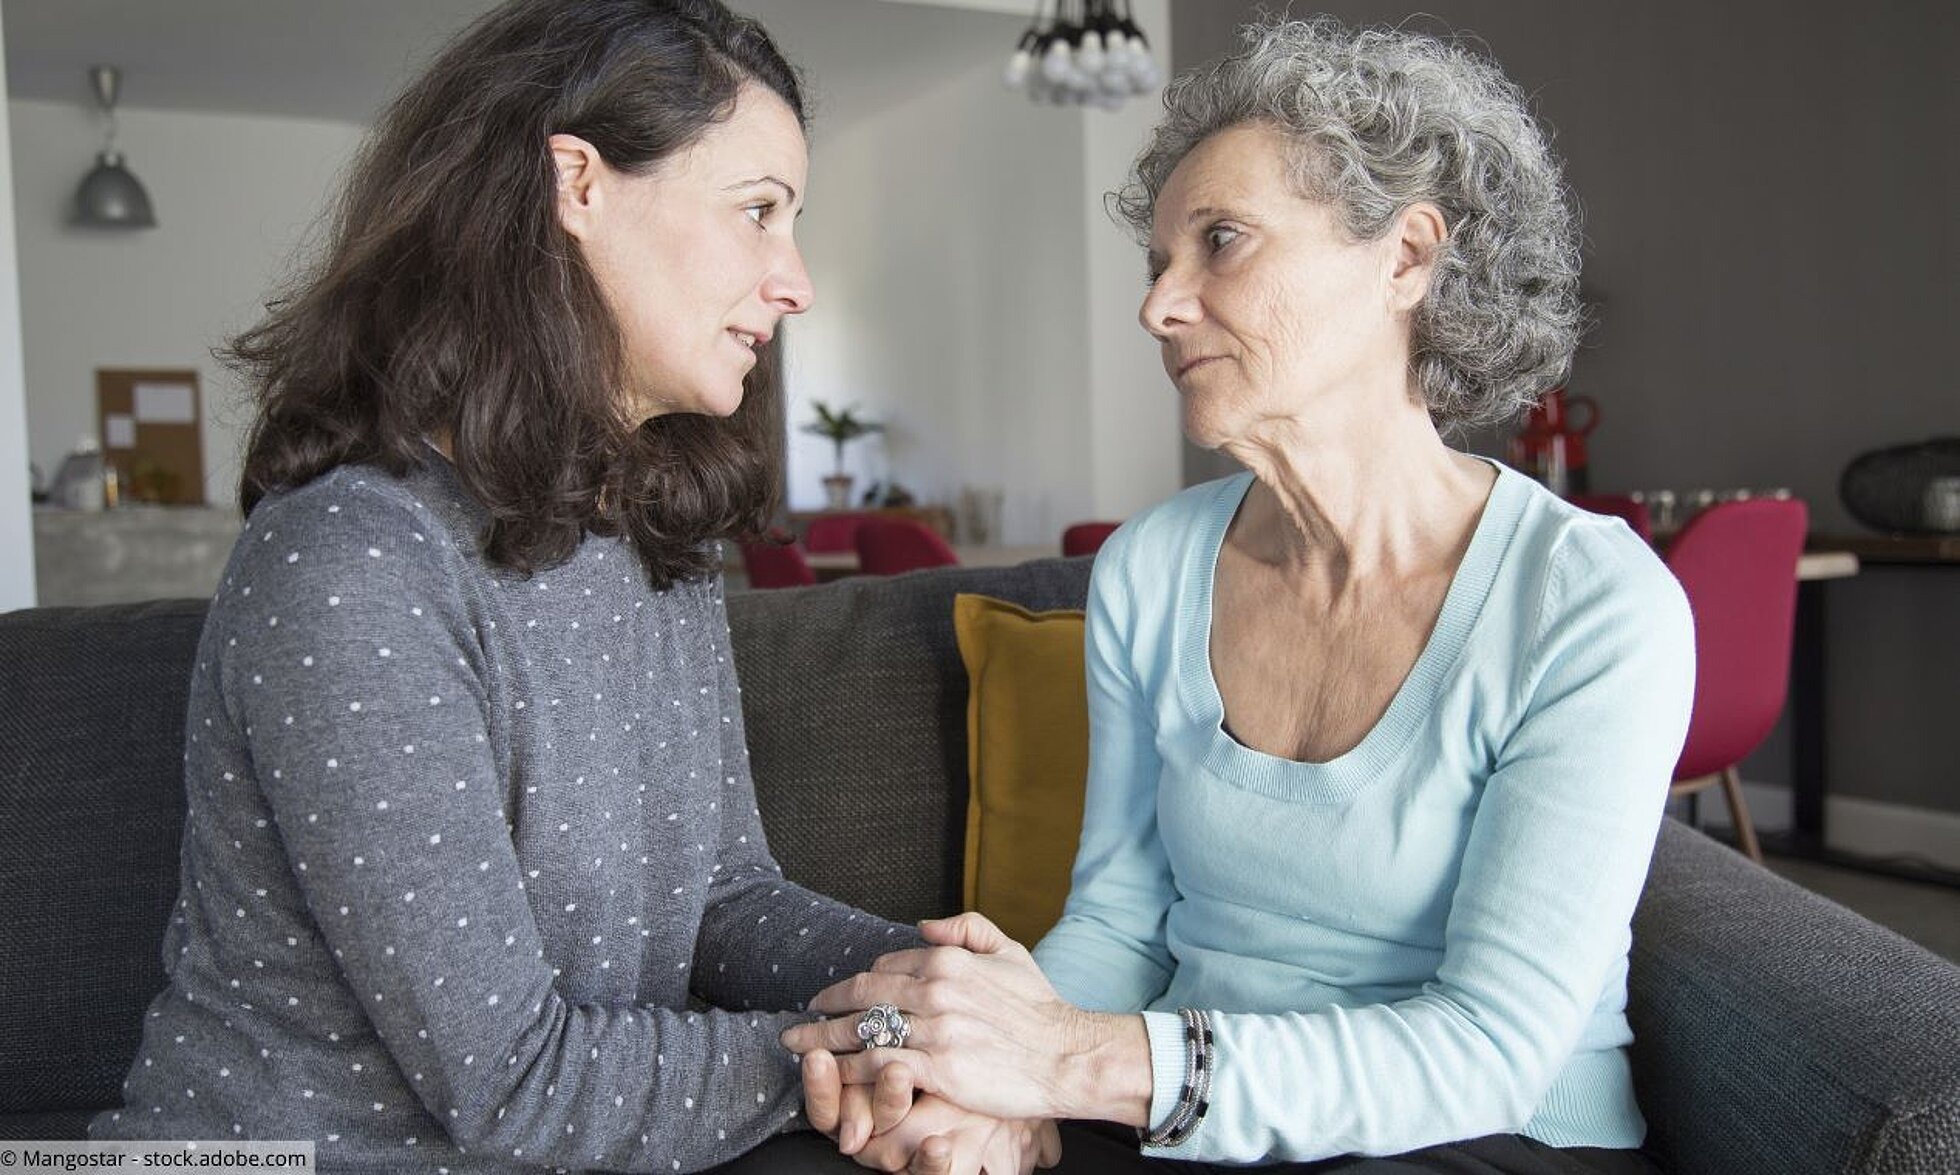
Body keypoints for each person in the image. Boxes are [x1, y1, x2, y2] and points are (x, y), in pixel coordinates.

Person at [88, 1, 1055, 1171]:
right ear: (577, 185)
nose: (792, 280)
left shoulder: (652, 540)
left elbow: (725, 898)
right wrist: (888, 1049)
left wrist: (950, 996)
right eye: (758, 210)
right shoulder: (352, 565)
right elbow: (516, 1082)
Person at [785, 17, 1694, 1173]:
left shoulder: (1587, 604)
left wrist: (1068, 1063)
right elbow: (1117, 919)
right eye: (1158, 263)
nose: (1159, 307)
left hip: (1483, 1133)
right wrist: (989, 1092)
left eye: (1221, 241)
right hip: (1188, 1116)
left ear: (1406, 257)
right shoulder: (1153, 567)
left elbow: (1490, 1047)